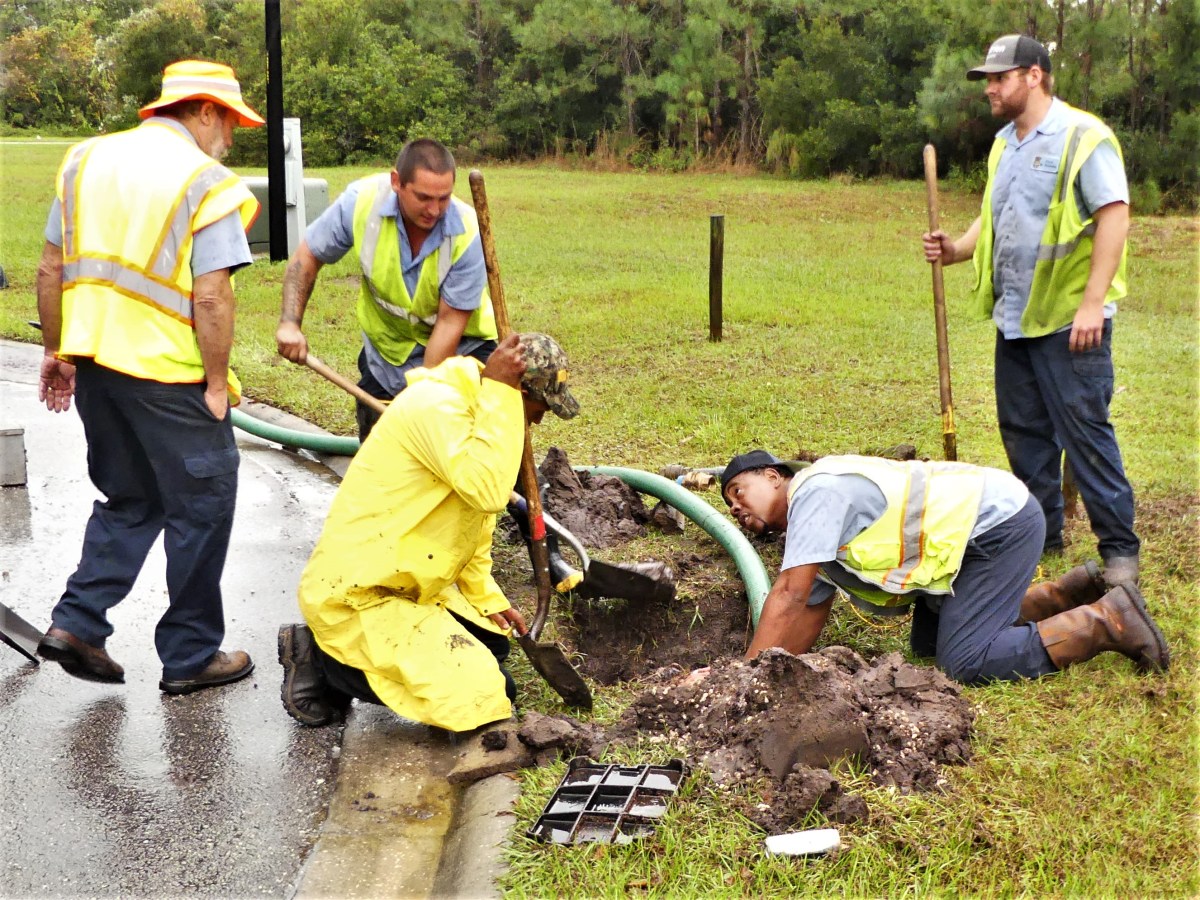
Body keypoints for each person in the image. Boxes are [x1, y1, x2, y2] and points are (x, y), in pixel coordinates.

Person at [35, 60, 263, 693]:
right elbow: (211, 295)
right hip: (169, 378)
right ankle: (191, 655)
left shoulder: (85, 160)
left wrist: (56, 350)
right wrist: (215, 384)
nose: (231, 138)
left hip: (97, 369)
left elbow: (51, 268)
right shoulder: (205, 181)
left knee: (131, 498)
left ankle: (77, 623)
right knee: (202, 507)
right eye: (231, 123)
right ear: (206, 111)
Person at [277, 332, 580, 731]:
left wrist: (486, 598)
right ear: (516, 390)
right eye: (538, 408)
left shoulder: (480, 409)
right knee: (485, 694)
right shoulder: (441, 408)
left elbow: (473, 521)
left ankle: (352, 660)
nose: (538, 420)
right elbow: (488, 493)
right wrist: (501, 395)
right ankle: (320, 661)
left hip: (405, 580)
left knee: (492, 644)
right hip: (360, 593)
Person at [922, 34, 1140, 588]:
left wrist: (1093, 303)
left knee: (1086, 436)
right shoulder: (1004, 144)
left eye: (1000, 78)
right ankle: (1043, 539)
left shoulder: (1083, 137)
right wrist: (957, 249)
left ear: (1034, 76)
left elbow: (1114, 215)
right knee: (1024, 436)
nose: (990, 89)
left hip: (1070, 322)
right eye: (989, 80)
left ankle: (1120, 554)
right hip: (1016, 318)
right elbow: (996, 214)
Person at [720, 450, 1168, 683]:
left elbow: (790, 595)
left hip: (997, 528)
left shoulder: (814, 493)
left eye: (739, 491)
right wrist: (773, 672)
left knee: (965, 662)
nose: (737, 508)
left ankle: (1106, 621)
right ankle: (1066, 593)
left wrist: (742, 679)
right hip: (967, 548)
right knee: (928, 645)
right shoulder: (810, 529)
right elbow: (809, 609)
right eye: (730, 507)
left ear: (774, 476)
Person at [275, 138, 497, 441]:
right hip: (388, 354)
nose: (434, 210)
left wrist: (419, 404)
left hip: (460, 351)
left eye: (443, 198)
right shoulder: (362, 202)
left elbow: (448, 326)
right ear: (397, 182)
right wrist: (290, 323)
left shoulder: (468, 232)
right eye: (423, 197)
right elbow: (306, 257)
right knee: (379, 452)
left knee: (462, 440)